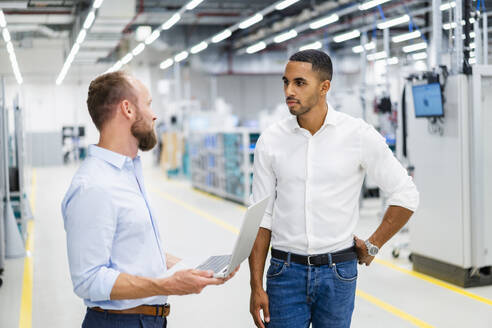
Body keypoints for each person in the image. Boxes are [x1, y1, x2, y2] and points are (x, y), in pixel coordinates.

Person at [248, 50, 419, 328]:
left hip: (338, 272)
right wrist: (255, 285)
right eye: (286, 82)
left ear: (325, 87)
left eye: (299, 83)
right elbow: (261, 217)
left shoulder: (358, 135)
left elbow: (406, 193)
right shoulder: (271, 140)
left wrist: (374, 244)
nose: (289, 91)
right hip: (284, 273)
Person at [61, 71, 236, 328]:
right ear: (128, 109)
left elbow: (133, 250)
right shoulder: (94, 185)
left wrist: (194, 270)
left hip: (146, 320)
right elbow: (88, 279)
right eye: (149, 103)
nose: (155, 115)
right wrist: (166, 284)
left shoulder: (127, 172)